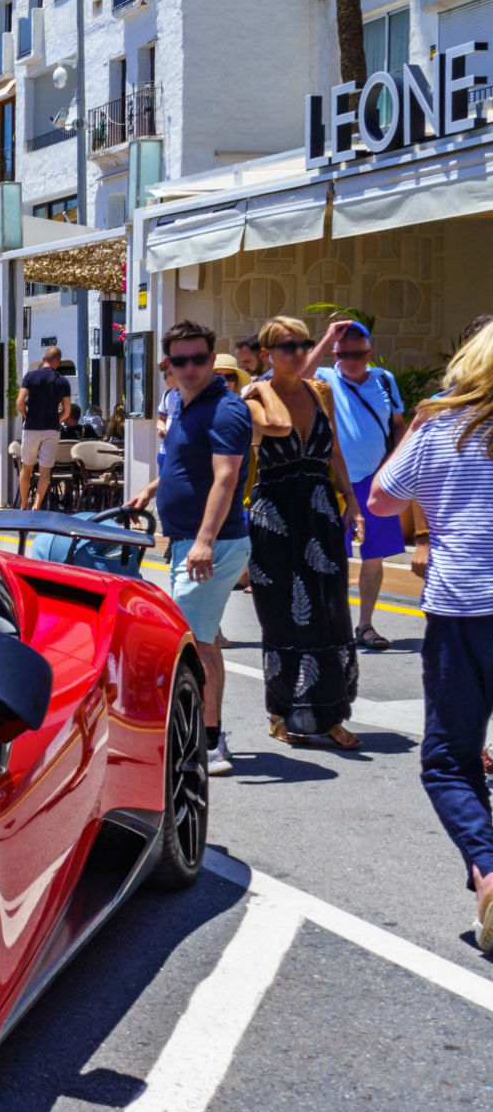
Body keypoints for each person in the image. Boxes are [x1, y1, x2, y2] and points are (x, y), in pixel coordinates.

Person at [367, 322, 493, 950]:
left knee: (450, 759)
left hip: (461, 607)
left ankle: (488, 869)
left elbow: (383, 501)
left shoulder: (440, 431)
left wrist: (415, 429)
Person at [128, 320, 260, 777]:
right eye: (179, 360)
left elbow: (226, 477)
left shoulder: (225, 409)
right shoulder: (184, 405)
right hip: (189, 542)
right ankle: (198, 732)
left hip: (213, 545)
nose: (189, 367)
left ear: (211, 359)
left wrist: (203, 541)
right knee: (198, 637)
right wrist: (150, 490)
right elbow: (185, 464)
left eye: (198, 359)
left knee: (197, 643)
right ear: (168, 364)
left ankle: (211, 739)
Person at [244, 314, 363, 749]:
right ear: (267, 354)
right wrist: (262, 384)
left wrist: (350, 497)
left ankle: (332, 713)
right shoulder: (254, 398)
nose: (297, 353)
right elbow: (272, 429)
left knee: (331, 610)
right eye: (287, 346)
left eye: (303, 345)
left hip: (319, 511)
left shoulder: (321, 392)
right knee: (281, 614)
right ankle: (281, 710)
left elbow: (333, 449)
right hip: (275, 515)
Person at [306, 319, 407, 651]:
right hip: (334, 483)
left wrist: (395, 466)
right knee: (333, 555)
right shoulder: (325, 378)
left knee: (374, 557)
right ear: (335, 352)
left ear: (369, 353)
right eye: (343, 353)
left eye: (358, 354)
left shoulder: (384, 380)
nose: (350, 360)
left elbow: (398, 426)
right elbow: (298, 377)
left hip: (376, 481)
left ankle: (365, 625)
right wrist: (326, 338)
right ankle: (333, 625)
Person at [17, 346, 72, 508]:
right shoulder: (63, 381)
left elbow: (20, 403)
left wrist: (27, 415)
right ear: (58, 362)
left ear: (43, 359)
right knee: (45, 471)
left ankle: (23, 503)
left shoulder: (30, 376)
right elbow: (67, 411)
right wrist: (56, 419)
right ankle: (37, 505)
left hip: (32, 428)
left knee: (26, 468)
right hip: (51, 429)